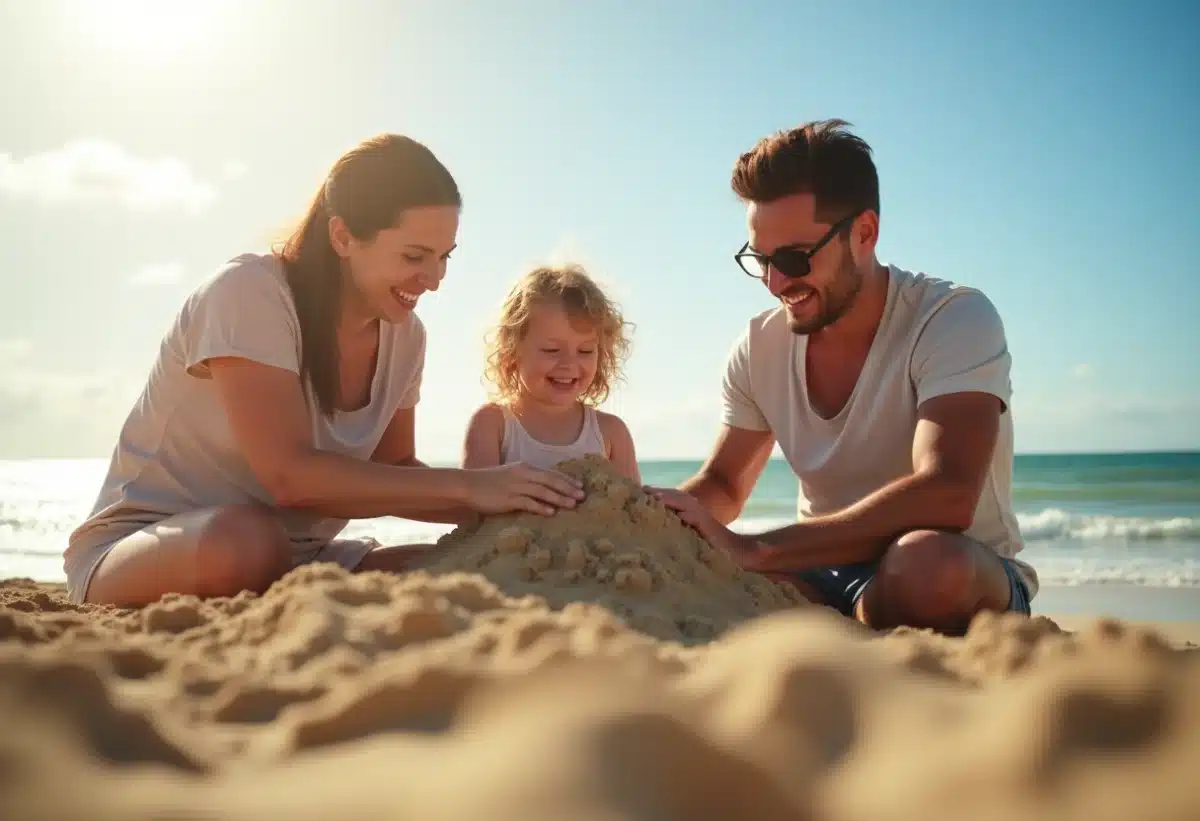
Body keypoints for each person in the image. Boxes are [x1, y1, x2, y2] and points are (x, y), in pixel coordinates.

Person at [64, 134, 585, 607]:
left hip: (301, 558)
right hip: (152, 548)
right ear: (342, 236)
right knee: (245, 542)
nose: (433, 279)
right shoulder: (250, 293)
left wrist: (516, 503)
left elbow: (397, 467)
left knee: (453, 569)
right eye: (414, 255)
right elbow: (289, 476)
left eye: (445, 257)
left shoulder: (406, 335)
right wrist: (472, 488)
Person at [649, 119, 1037, 636]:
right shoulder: (759, 346)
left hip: (959, 569)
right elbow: (723, 484)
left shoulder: (952, 317)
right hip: (826, 571)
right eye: (760, 260)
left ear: (865, 233)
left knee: (925, 566)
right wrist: (648, 516)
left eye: (792, 259)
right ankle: (849, 622)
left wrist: (756, 548)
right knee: (713, 589)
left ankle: (849, 621)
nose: (774, 283)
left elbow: (947, 494)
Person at [461, 263, 640, 483]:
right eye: (551, 350)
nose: (568, 363)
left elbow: (634, 512)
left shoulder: (611, 434)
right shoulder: (493, 426)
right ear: (512, 351)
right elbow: (472, 510)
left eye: (585, 351)